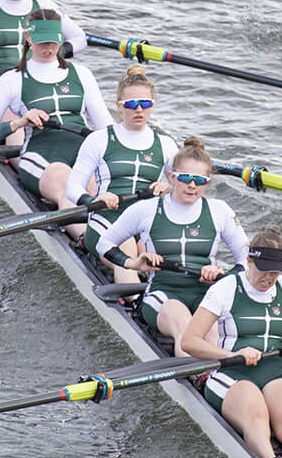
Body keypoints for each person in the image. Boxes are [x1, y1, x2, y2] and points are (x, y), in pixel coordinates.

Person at [180, 226, 282, 458]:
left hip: (275, 369)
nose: (268, 279)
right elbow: (190, 341)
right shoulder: (225, 288)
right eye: (264, 271)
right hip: (230, 370)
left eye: (275, 273)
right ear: (249, 260)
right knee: (256, 414)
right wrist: (231, 354)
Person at [97, 137, 248, 354]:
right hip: (163, 291)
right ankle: (198, 378)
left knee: (215, 333)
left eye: (199, 180)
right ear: (171, 177)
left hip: (207, 292)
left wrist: (224, 275)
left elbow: (246, 259)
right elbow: (104, 243)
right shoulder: (146, 209)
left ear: (208, 182)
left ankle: (212, 379)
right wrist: (133, 263)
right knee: (186, 327)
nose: (192, 185)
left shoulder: (219, 210)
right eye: (185, 178)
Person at [0, 10, 110, 227]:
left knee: (99, 187)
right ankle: (85, 240)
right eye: (42, 42)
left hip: (82, 150)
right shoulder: (12, 80)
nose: (48, 48)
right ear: (28, 37)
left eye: (53, 42)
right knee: (67, 185)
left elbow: (106, 128)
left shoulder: (82, 74)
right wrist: (19, 122)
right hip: (40, 154)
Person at [67, 66, 179, 282]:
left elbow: (185, 187)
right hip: (107, 218)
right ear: (119, 107)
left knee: (168, 259)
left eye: (145, 104)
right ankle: (137, 301)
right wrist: (93, 199)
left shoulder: (165, 144)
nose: (139, 109)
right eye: (131, 104)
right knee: (126, 248)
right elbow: (72, 187)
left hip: (144, 221)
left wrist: (169, 187)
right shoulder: (99, 139)